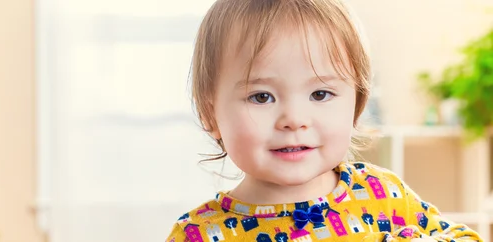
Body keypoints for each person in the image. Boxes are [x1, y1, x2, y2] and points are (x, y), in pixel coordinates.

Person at [165, 0, 483, 241]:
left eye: (320, 94)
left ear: (357, 104)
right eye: (261, 97)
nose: (294, 120)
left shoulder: (383, 194)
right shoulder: (198, 233)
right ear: (211, 115)